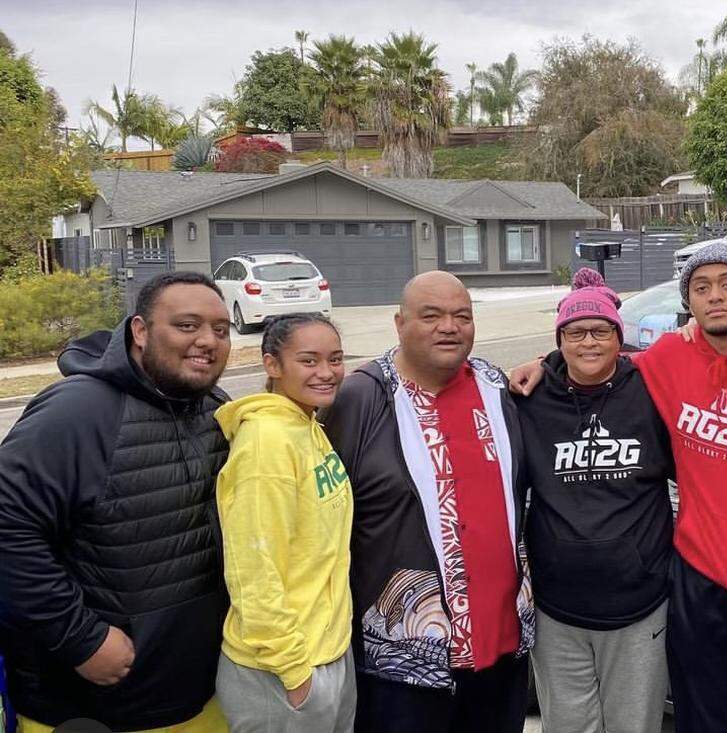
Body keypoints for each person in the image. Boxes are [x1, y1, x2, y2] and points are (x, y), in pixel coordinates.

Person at [513, 243, 727, 733]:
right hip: (696, 582)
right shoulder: (669, 358)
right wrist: (545, 361)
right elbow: (594, 353)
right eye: (701, 287)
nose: (715, 297)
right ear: (688, 301)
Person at [0, 272, 232, 732]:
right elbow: (8, 529)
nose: (208, 340)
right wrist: (79, 639)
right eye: (187, 325)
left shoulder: (216, 409)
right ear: (140, 332)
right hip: (93, 709)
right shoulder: (76, 412)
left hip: (202, 694)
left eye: (221, 330)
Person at [320, 271, 534, 733]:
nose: (449, 327)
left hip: (502, 647)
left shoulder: (496, 387)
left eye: (462, 316)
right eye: (431, 315)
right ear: (399, 324)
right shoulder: (361, 397)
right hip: (402, 663)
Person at [517, 269, 674, 733]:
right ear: (559, 340)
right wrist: (536, 364)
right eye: (575, 332)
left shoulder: (651, 388)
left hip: (639, 601)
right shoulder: (529, 395)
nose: (589, 342)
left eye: (601, 331)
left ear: (618, 337)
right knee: (566, 725)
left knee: (634, 725)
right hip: (556, 604)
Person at [213, 314, 355, 732]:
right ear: (272, 365)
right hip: (282, 670)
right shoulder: (266, 444)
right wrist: (296, 674)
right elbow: (252, 569)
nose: (327, 372)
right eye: (309, 361)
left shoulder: (306, 424)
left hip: (325, 652)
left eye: (335, 359)